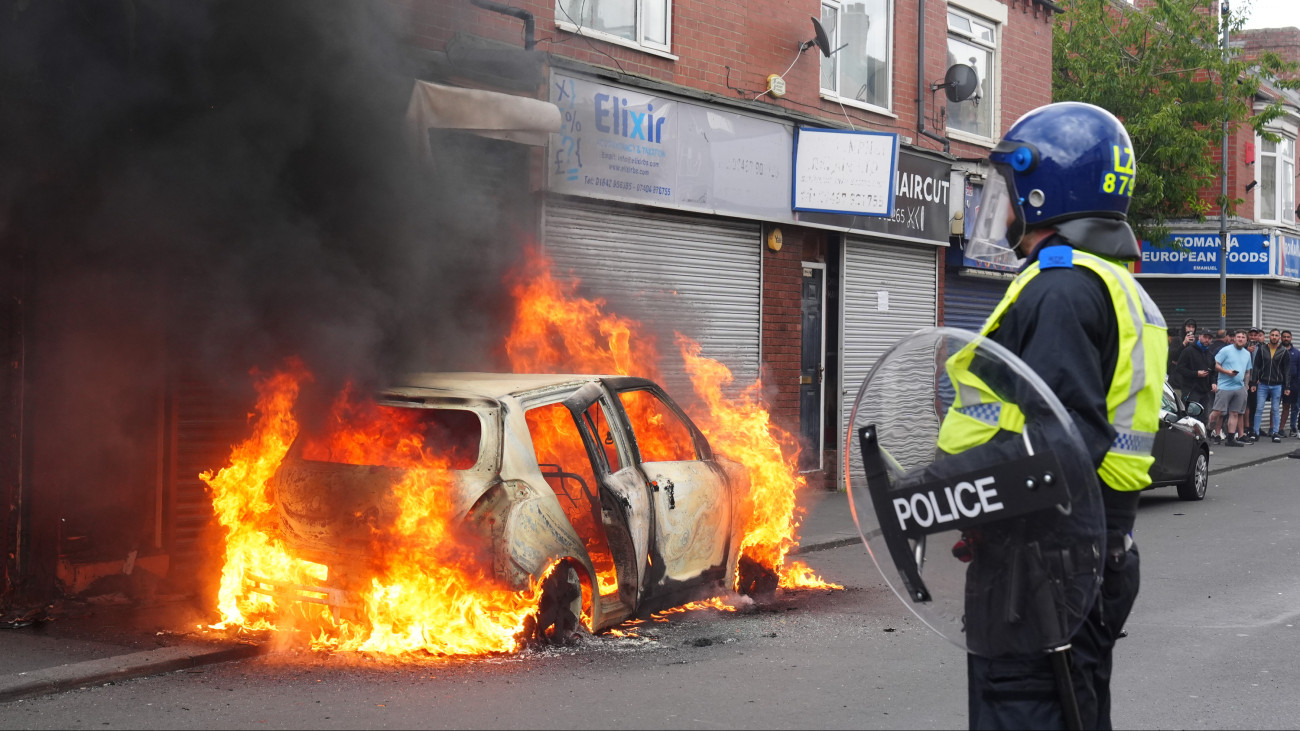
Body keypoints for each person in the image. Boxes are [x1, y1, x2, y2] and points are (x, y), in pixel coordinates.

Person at [960, 101, 1166, 730]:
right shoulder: (1112, 283)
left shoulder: (1061, 288)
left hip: (1039, 566)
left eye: (1012, 184)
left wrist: (942, 490)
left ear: (1046, 188)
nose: (1007, 203)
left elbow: (1058, 443)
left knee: (1027, 712)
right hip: (1088, 550)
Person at [1209, 330, 1253, 447]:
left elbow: (1248, 371)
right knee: (1217, 411)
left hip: (1240, 387)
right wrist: (1226, 372)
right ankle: (1208, 433)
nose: (1240, 339)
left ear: (1246, 340)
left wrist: (1246, 385)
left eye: (1243, 337)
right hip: (1224, 387)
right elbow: (1215, 365)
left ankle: (1230, 438)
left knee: (1234, 413)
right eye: (1238, 337)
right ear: (1234, 338)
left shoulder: (1247, 354)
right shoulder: (1225, 350)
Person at [1251, 328, 1291, 442]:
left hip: (1277, 385)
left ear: (1279, 338)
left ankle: (1275, 433)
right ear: (1269, 336)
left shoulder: (1284, 351)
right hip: (1263, 384)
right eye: (1272, 335)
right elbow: (1256, 366)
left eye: (1276, 335)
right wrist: (1254, 382)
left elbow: (1287, 370)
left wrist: (1287, 386)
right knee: (1259, 408)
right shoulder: (1262, 349)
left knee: (1275, 409)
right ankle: (1256, 432)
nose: (1274, 337)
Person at [1175, 329, 1217, 410]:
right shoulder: (1188, 351)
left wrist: (1213, 382)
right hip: (1191, 390)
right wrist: (1196, 373)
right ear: (1200, 337)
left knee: (1204, 419)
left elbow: (1213, 371)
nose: (1207, 340)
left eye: (1209, 338)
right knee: (1191, 416)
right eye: (1205, 337)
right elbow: (1179, 368)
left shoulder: (1210, 354)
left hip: (1205, 391)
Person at [1282, 330, 1300, 437]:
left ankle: (1293, 428)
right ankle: (1275, 429)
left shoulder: (1297, 353)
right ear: (1281, 338)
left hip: (1294, 383)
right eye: (1284, 337)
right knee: (1276, 407)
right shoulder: (1277, 350)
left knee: (1295, 406)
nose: (1286, 339)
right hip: (1279, 383)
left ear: (1291, 338)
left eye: (1288, 337)